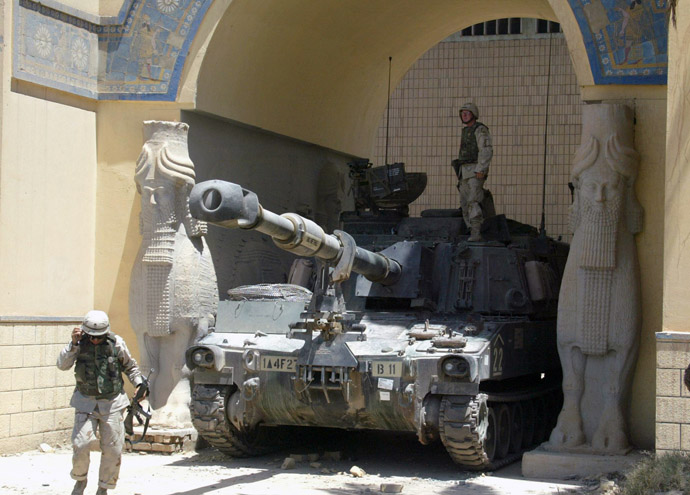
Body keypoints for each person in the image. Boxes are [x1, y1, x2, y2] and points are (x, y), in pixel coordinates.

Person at [57, 310, 145, 495]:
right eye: (92, 337)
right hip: (85, 402)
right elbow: (62, 365)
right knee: (80, 444)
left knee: (113, 449)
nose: (95, 341)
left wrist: (139, 384)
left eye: (99, 337)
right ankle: (80, 481)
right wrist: (73, 344)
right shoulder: (78, 344)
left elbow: (131, 367)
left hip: (112, 403)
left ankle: (104, 487)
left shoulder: (117, 343)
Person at [452, 102, 493, 241]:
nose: (464, 115)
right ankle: (471, 229)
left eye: (467, 113)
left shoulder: (480, 129)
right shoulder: (466, 131)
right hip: (464, 170)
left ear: (473, 114)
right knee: (464, 203)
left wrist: (481, 169)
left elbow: (486, 150)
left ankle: (476, 232)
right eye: (462, 113)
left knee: (473, 200)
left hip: (475, 169)